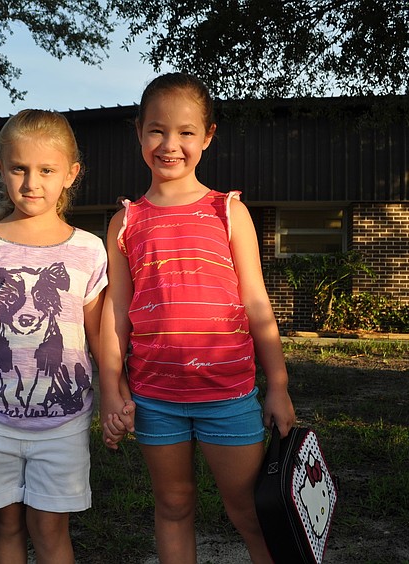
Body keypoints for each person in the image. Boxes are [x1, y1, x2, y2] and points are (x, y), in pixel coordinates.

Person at [99, 73, 296, 564]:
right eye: (157, 131)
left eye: (186, 132)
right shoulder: (126, 221)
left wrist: (278, 384)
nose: (171, 145)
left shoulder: (227, 211)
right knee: (172, 504)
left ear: (207, 137)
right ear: (139, 132)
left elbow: (256, 303)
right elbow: (116, 312)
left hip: (227, 395)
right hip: (155, 398)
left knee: (251, 511)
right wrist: (111, 385)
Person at [0, 109, 107, 563]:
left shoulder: (89, 250)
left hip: (63, 425)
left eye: (46, 170)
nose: (32, 182)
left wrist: (114, 394)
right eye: (19, 169)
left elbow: (99, 336)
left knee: (51, 530)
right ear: (1, 170)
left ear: (71, 174)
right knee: (6, 526)